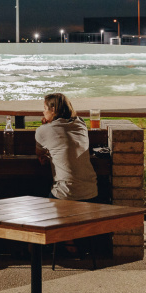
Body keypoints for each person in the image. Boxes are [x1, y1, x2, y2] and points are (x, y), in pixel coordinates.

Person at [35, 93, 99, 257]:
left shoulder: (43, 131)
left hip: (67, 193)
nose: (43, 112)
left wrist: (46, 126)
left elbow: (40, 154)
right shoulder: (81, 123)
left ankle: (41, 250)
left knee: (37, 211)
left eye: (44, 108)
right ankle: (71, 242)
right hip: (92, 191)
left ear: (53, 110)